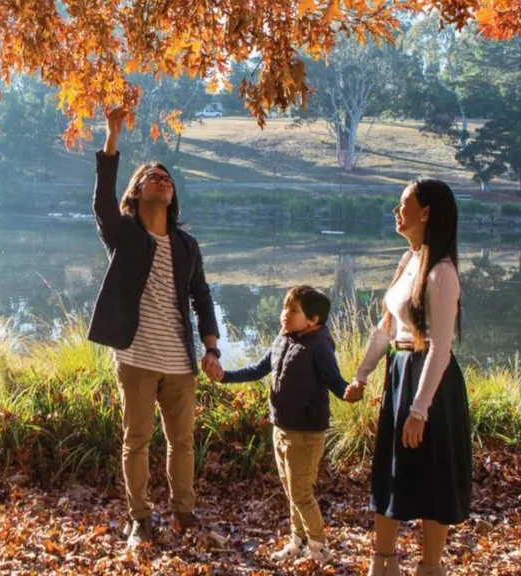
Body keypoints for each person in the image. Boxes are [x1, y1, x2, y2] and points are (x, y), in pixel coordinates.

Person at [87, 108, 223, 548]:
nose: (163, 180)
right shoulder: (124, 234)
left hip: (181, 362)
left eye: (168, 178)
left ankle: (184, 514)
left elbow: (202, 297)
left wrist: (212, 349)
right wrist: (111, 135)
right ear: (138, 191)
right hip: (136, 358)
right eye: (153, 176)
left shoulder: (186, 244)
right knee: (137, 441)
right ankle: (140, 520)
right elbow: (102, 201)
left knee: (182, 444)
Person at [345, 179, 471, 576]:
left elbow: (440, 348)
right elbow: (386, 328)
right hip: (399, 373)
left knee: (431, 476)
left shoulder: (442, 273)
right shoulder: (408, 260)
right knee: (392, 472)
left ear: (426, 212)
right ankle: (383, 565)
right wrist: (363, 375)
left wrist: (420, 409)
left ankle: (430, 568)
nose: (396, 210)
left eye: (403, 204)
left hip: (430, 385)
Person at [218, 286, 360, 565]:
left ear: (313, 320)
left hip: (306, 434)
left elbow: (335, 381)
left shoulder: (319, 346)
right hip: (281, 429)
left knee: (302, 493)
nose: (285, 314)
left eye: (294, 310)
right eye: (285, 307)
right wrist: (224, 376)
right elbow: (258, 369)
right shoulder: (283, 338)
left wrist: (349, 392)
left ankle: (319, 548)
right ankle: (298, 542)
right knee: (291, 491)